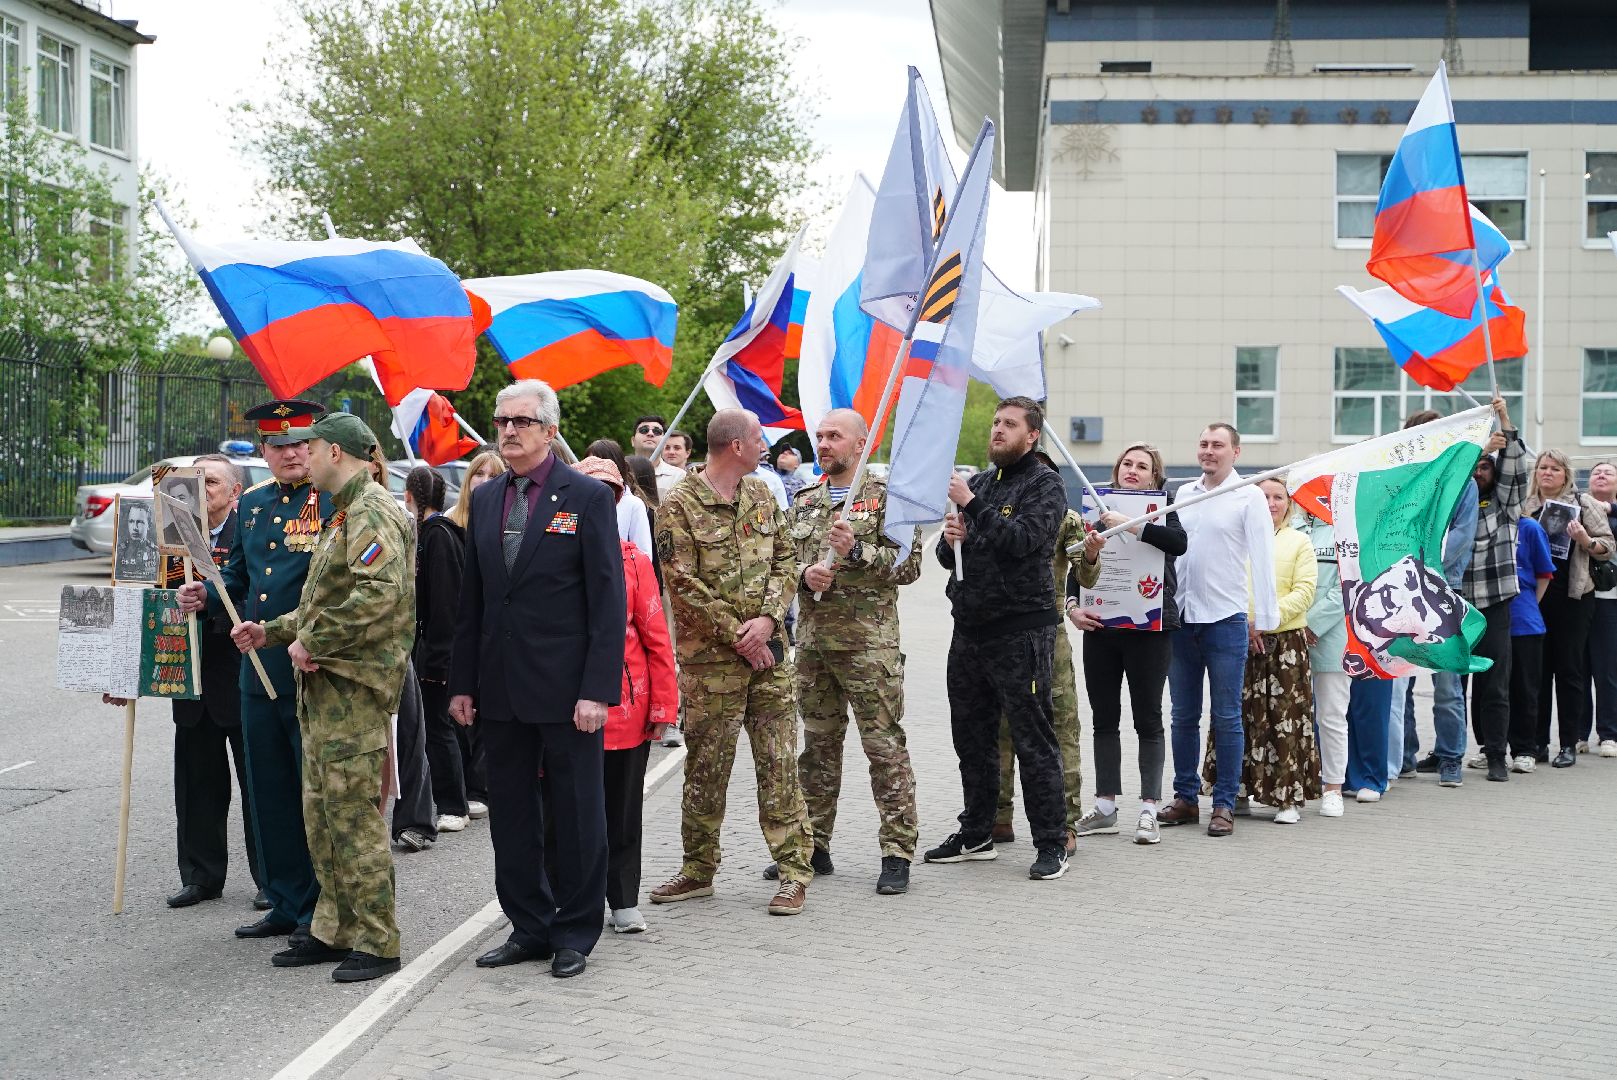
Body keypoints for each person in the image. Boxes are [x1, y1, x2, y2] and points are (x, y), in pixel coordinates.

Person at [228, 413, 415, 982]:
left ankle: (379, 941)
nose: (299, 456)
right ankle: (334, 928)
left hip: (353, 688)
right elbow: (321, 601)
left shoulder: (372, 510)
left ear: (336, 450)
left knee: (353, 817)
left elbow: (377, 595)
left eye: (308, 446)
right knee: (323, 815)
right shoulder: (344, 511)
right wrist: (275, 631)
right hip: (326, 687)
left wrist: (313, 639)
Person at [450, 380, 625, 979]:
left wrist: (597, 689)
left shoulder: (587, 496)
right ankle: (528, 924)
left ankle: (576, 930)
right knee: (513, 817)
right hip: (499, 688)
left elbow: (608, 602)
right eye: (502, 421)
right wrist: (462, 683)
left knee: (578, 813)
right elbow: (472, 600)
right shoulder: (489, 495)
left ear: (550, 431)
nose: (508, 431)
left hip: (567, 690)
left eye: (522, 422)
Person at [649, 408, 815, 915]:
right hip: (711, 666)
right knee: (706, 768)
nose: (766, 444)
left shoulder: (763, 493)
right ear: (735, 445)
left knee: (779, 764)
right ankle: (698, 871)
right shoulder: (678, 503)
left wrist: (766, 620)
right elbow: (681, 582)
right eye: (758, 437)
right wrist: (740, 636)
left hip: (769, 659)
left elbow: (786, 558)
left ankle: (793, 873)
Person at [179, 398, 331, 943]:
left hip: (312, 667)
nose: (291, 453)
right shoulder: (255, 505)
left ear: (314, 445)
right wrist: (209, 594)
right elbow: (239, 578)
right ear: (264, 452)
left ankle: (322, 908)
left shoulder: (335, 499)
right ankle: (286, 900)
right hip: (257, 671)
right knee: (267, 790)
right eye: (279, 445)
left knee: (312, 791)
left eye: (299, 443)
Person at [924, 397, 1071, 881]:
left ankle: (1051, 841)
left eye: (1009, 424)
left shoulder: (1044, 485)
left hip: (1020, 632)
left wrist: (972, 506)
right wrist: (950, 542)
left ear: (1032, 435)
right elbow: (955, 563)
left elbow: (1023, 542)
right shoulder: (984, 483)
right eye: (995, 422)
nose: (998, 430)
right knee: (972, 737)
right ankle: (977, 832)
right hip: (970, 631)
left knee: (1033, 739)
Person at [779, 409, 922, 895]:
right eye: (819, 436)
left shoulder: (888, 499)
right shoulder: (804, 500)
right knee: (817, 748)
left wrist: (857, 552)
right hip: (815, 647)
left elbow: (909, 566)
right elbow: (783, 562)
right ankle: (814, 844)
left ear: (861, 443)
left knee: (883, 748)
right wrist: (804, 575)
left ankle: (897, 850)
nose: (823, 444)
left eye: (834, 436)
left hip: (869, 648)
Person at [572, 456, 677, 934]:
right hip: (566, 710)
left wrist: (663, 709)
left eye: (609, 495)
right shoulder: (553, 556)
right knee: (567, 813)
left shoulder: (634, 560)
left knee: (622, 811)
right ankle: (574, 899)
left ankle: (623, 898)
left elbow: (656, 638)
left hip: (625, 713)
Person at [1159, 423, 1278, 838]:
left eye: (1218, 445)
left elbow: (1264, 556)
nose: (1209, 451)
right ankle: (1185, 797)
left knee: (1227, 717)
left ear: (1236, 452)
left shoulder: (1249, 497)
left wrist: (1265, 617)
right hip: (1182, 618)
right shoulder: (1184, 494)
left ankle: (1224, 804)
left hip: (1225, 621)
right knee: (1182, 716)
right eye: (1204, 444)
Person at [1069, 443, 1185, 844]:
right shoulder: (1094, 507)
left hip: (1150, 631)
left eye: (1143, 467)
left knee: (1148, 719)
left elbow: (1178, 544)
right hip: (1102, 627)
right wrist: (1072, 607)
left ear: (1155, 477)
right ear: (1117, 470)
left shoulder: (1164, 506)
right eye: (1127, 464)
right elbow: (1076, 562)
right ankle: (1105, 807)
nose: (1133, 470)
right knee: (1104, 718)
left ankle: (1150, 810)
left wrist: (1132, 524)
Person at [164, 454, 264, 909]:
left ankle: (271, 879)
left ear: (235, 492)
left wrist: (210, 603)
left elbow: (253, 591)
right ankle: (201, 877)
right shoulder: (172, 538)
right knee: (197, 785)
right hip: (190, 679)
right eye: (194, 480)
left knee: (259, 786)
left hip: (241, 676)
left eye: (211, 481)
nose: (201, 488)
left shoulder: (250, 532)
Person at [1203, 478, 1317, 823]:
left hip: (1284, 643)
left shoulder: (1300, 542)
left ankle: (1287, 798)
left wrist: (1265, 619)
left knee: (1286, 719)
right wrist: (1247, 622)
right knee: (1238, 715)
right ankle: (1236, 791)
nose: (1270, 503)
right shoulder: (1239, 539)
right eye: (1263, 496)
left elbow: (1305, 591)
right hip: (1238, 636)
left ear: (1289, 504)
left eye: (1277, 497)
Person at [997, 476, 1085, 853]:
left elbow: (1088, 574)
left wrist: (1093, 554)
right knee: (1001, 728)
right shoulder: (997, 512)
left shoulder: (1066, 518)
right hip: (1001, 633)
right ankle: (998, 816)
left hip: (1050, 636)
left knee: (1060, 727)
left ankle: (1065, 821)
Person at [1398, 410, 1478, 788]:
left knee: (1447, 682)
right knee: (1402, 679)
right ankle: (1404, 755)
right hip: (1401, 592)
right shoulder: (1400, 479)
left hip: (1444, 592)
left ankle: (1450, 757)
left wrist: (1428, 568)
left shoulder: (1462, 481)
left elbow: (1462, 536)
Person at [1523, 449, 1616, 767]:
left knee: (1569, 671)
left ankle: (1568, 744)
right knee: (1537, 672)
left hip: (1574, 597)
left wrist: (1585, 539)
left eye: (1554, 469)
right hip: (1534, 598)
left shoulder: (1583, 503)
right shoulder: (1526, 505)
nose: (1546, 473)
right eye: (1541, 468)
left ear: (1566, 474)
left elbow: (1607, 547)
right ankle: (1537, 744)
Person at [368, 450, 437, 854]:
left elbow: (402, 583)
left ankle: (415, 819)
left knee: (407, 731)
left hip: (393, 639)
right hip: (347, 646)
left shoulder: (393, 516)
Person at [1456, 401, 1527, 782]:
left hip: (1495, 604)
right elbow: (1448, 475)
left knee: (1495, 684)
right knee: (1453, 683)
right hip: (1454, 604)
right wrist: (1477, 451)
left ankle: (1496, 754)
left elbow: (1515, 470)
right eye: (1475, 467)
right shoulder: (1453, 504)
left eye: (1485, 467)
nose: (1479, 472)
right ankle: (1450, 753)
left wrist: (1505, 423)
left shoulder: (1504, 505)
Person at [407, 466, 470, 833]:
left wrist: (437, 657)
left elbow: (445, 604)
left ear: (410, 497)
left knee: (439, 726)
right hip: (432, 648)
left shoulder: (438, 538)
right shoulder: (427, 534)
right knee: (432, 727)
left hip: (438, 653)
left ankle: (453, 804)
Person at [444, 447, 506, 817]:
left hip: (494, 632)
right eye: (477, 475)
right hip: (459, 630)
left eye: (491, 475)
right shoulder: (450, 521)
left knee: (489, 709)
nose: (483, 481)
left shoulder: (506, 519)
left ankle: (482, 784)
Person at [1301, 501, 1349, 817]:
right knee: (1290, 716)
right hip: (1287, 632)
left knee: (1331, 716)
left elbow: (1345, 587)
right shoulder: (1290, 528)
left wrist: (1311, 623)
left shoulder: (1343, 531)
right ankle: (1295, 784)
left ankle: (1333, 787)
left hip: (1329, 638)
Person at [1509, 513, 1555, 772]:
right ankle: (1490, 746)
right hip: (1491, 620)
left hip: (1525, 621)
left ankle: (1526, 748)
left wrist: (1528, 604)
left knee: (1525, 689)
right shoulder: (1482, 519)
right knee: (1491, 689)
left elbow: (1544, 574)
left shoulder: (1529, 528)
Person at [1583, 461, 1617, 757]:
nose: (1601, 475)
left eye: (1608, 472)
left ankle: (1609, 734)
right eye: (1596, 472)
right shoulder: (1579, 509)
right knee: (1578, 668)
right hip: (1580, 598)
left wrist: (1612, 511)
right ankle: (1579, 733)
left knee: (1607, 670)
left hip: (1610, 601)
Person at [587, 438, 654, 560]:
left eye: (600, 464)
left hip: (618, 575)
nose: (593, 470)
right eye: (589, 463)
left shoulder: (633, 504)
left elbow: (644, 555)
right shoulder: (578, 499)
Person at [631, 413, 686, 500]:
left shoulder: (679, 477)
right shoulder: (618, 472)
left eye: (657, 432)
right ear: (633, 441)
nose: (650, 434)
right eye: (644, 430)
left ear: (665, 442)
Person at [116, 499, 159, 581]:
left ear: (148, 525)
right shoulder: (119, 551)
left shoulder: (156, 552)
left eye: (140, 522)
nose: (134, 527)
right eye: (131, 521)